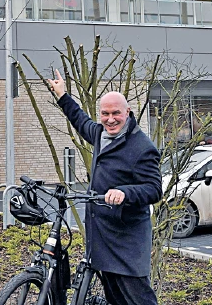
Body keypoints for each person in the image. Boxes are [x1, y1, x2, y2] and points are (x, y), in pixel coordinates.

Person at [47, 69, 162, 305]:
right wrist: (62, 96)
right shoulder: (100, 134)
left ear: (127, 113)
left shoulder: (142, 147)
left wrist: (125, 192)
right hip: (102, 238)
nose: (111, 119)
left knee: (138, 299)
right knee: (115, 299)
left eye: (116, 113)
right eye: (105, 114)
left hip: (127, 242)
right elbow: (80, 120)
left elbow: (154, 189)